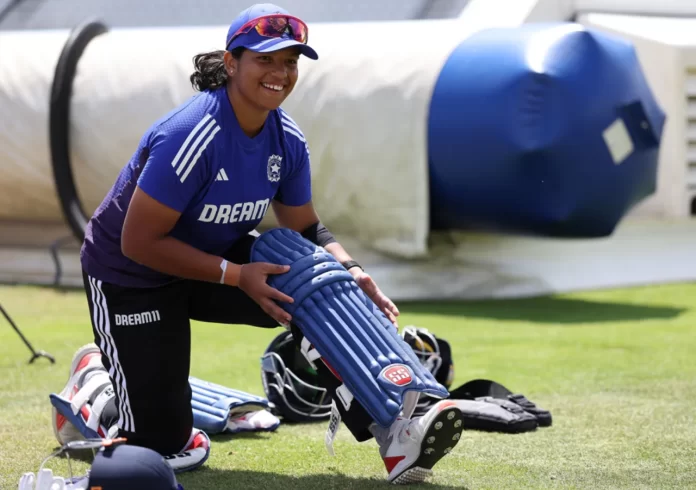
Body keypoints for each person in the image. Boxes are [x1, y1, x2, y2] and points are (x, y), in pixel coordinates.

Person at [52, 3, 464, 484]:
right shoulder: (190, 135)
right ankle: (94, 389)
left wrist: (350, 269)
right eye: (264, 59)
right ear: (231, 63)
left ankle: (398, 426)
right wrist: (236, 276)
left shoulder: (286, 139)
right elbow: (138, 241)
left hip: (215, 260)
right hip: (132, 274)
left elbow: (306, 227)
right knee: (164, 449)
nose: (280, 73)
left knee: (315, 282)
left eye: (290, 61)